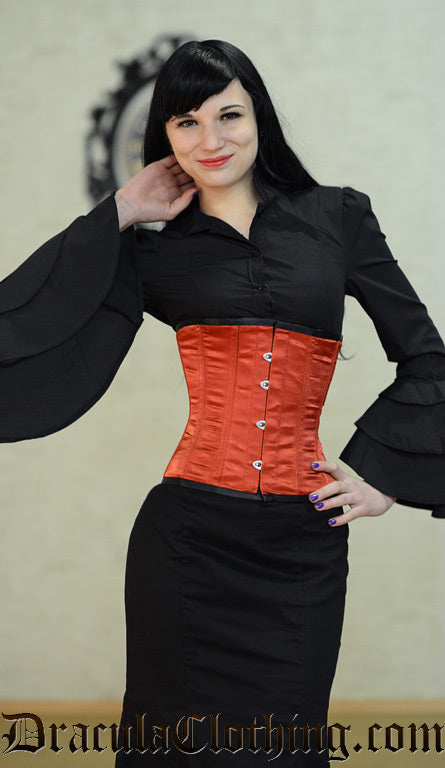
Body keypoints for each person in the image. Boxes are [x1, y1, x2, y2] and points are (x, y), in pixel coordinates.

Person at [1, 39, 445, 767]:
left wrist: (383, 477)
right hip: (186, 544)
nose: (210, 139)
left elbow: (426, 354)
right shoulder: (154, 251)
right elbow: (30, 317)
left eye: (228, 115)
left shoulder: (337, 218)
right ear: (166, 136)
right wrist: (121, 210)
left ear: (258, 116)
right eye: (186, 121)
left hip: (301, 548)